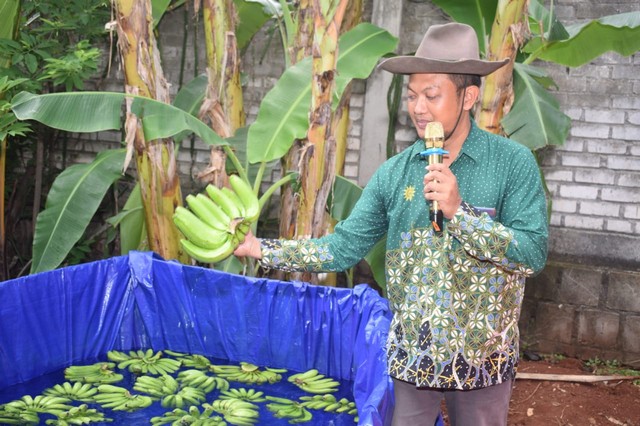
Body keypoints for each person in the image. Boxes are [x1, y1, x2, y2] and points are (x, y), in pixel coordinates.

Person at [234, 22, 548, 426]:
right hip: (413, 356)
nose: (418, 108)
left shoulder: (512, 164)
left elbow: (533, 253)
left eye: (431, 96)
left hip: (483, 355)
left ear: (468, 96)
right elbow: (342, 247)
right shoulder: (394, 174)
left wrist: (461, 214)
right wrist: (262, 248)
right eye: (413, 96)